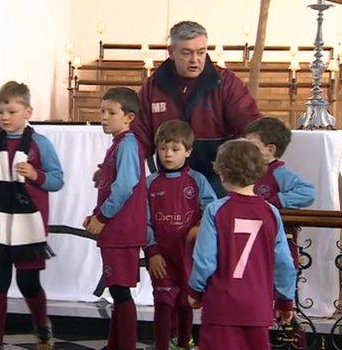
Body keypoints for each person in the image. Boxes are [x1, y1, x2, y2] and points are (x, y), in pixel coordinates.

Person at [188, 139, 296, 350]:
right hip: (257, 306)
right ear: (259, 172)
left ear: (222, 173)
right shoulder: (270, 212)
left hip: (222, 307)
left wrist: (195, 290)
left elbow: (205, 260)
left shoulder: (216, 210)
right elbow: (284, 263)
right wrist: (285, 301)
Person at [0, 81, 64, 350]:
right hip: (0, 222)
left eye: (11, 111)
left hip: (29, 223)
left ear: (27, 111)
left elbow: (57, 180)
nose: (4, 117)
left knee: (28, 282)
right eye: (1, 111)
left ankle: (42, 327)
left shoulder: (40, 144)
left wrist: (36, 175)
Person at [133, 21, 260, 196]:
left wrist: (236, 164)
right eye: (187, 53)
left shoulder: (226, 83)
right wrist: (117, 168)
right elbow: (139, 136)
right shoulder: (153, 87)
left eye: (201, 52)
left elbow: (251, 126)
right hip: (169, 178)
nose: (195, 60)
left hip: (219, 179)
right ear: (171, 52)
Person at [144, 120, 216, 350]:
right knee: (163, 303)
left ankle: (184, 343)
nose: (168, 155)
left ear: (188, 151)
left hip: (188, 256)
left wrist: (199, 227)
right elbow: (143, 221)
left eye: (175, 149)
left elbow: (213, 211)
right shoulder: (150, 183)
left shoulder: (197, 181)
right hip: (161, 256)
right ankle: (162, 345)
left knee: (186, 301)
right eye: (163, 149)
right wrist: (151, 250)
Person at [84, 87, 147, 350]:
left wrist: (102, 215)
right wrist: (103, 174)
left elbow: (126, 185)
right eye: (102, 111)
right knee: (117, 289)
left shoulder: (129, 143)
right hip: (116, 229)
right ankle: (115, 344)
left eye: (111, 112)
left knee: (121, 292)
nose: (104, 117)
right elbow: (117, 178)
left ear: (129, 117)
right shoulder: (120, 143)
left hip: (121, 229)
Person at [245, 116, 315, 348]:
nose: (246, 147)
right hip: (253, 245)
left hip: (279, 245)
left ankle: (294, 342)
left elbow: (308, 192)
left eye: (251, 144)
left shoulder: (279, 173)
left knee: (283, 301)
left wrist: (277, 201)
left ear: (270, 149)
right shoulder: (249, 171)